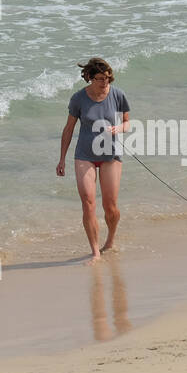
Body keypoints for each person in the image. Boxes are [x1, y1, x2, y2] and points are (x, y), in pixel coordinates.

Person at [58, 57, 130, 260]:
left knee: (110, 205)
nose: (105, 83)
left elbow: (127, 122)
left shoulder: (117, 95)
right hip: (85, 155)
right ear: (90, 78)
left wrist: (119, 128)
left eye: (107, 78)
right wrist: (62, 159)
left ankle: (111, 239)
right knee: (88, 202)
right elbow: (69, 128)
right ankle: (95, 251)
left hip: (110, 154)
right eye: (100, 79)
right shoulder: (78, 99)